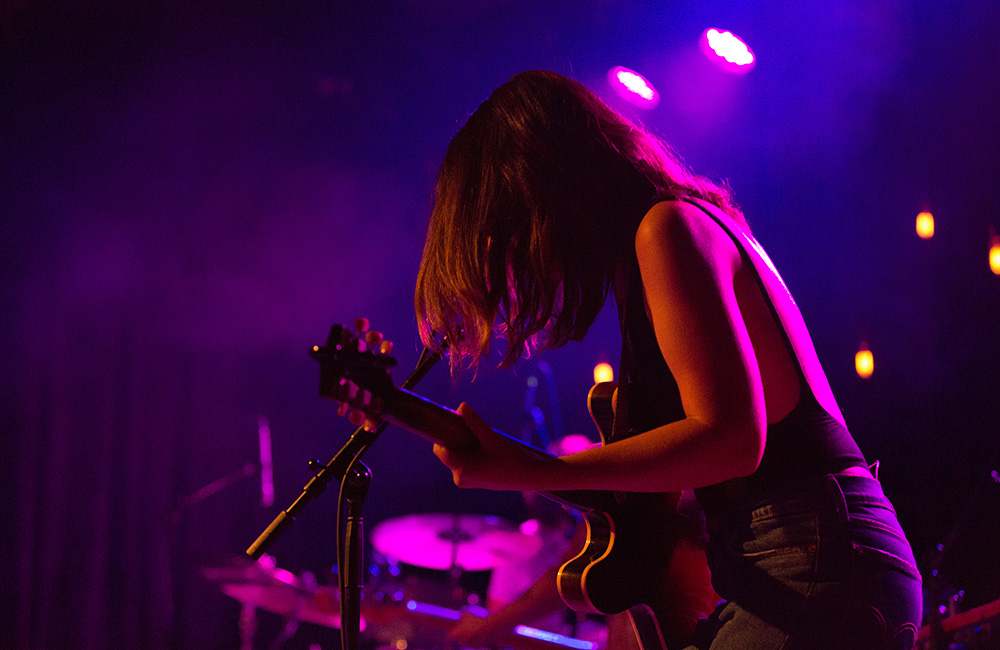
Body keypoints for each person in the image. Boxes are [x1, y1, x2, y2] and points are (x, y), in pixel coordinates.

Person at [413, 70, 922, 649]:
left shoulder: (666, 228)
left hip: (815, 558)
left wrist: (534, 471)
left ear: (540, 192)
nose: (517, 261)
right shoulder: (675, 231)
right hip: (820, 557)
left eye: (509, 230)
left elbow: (732, 437)